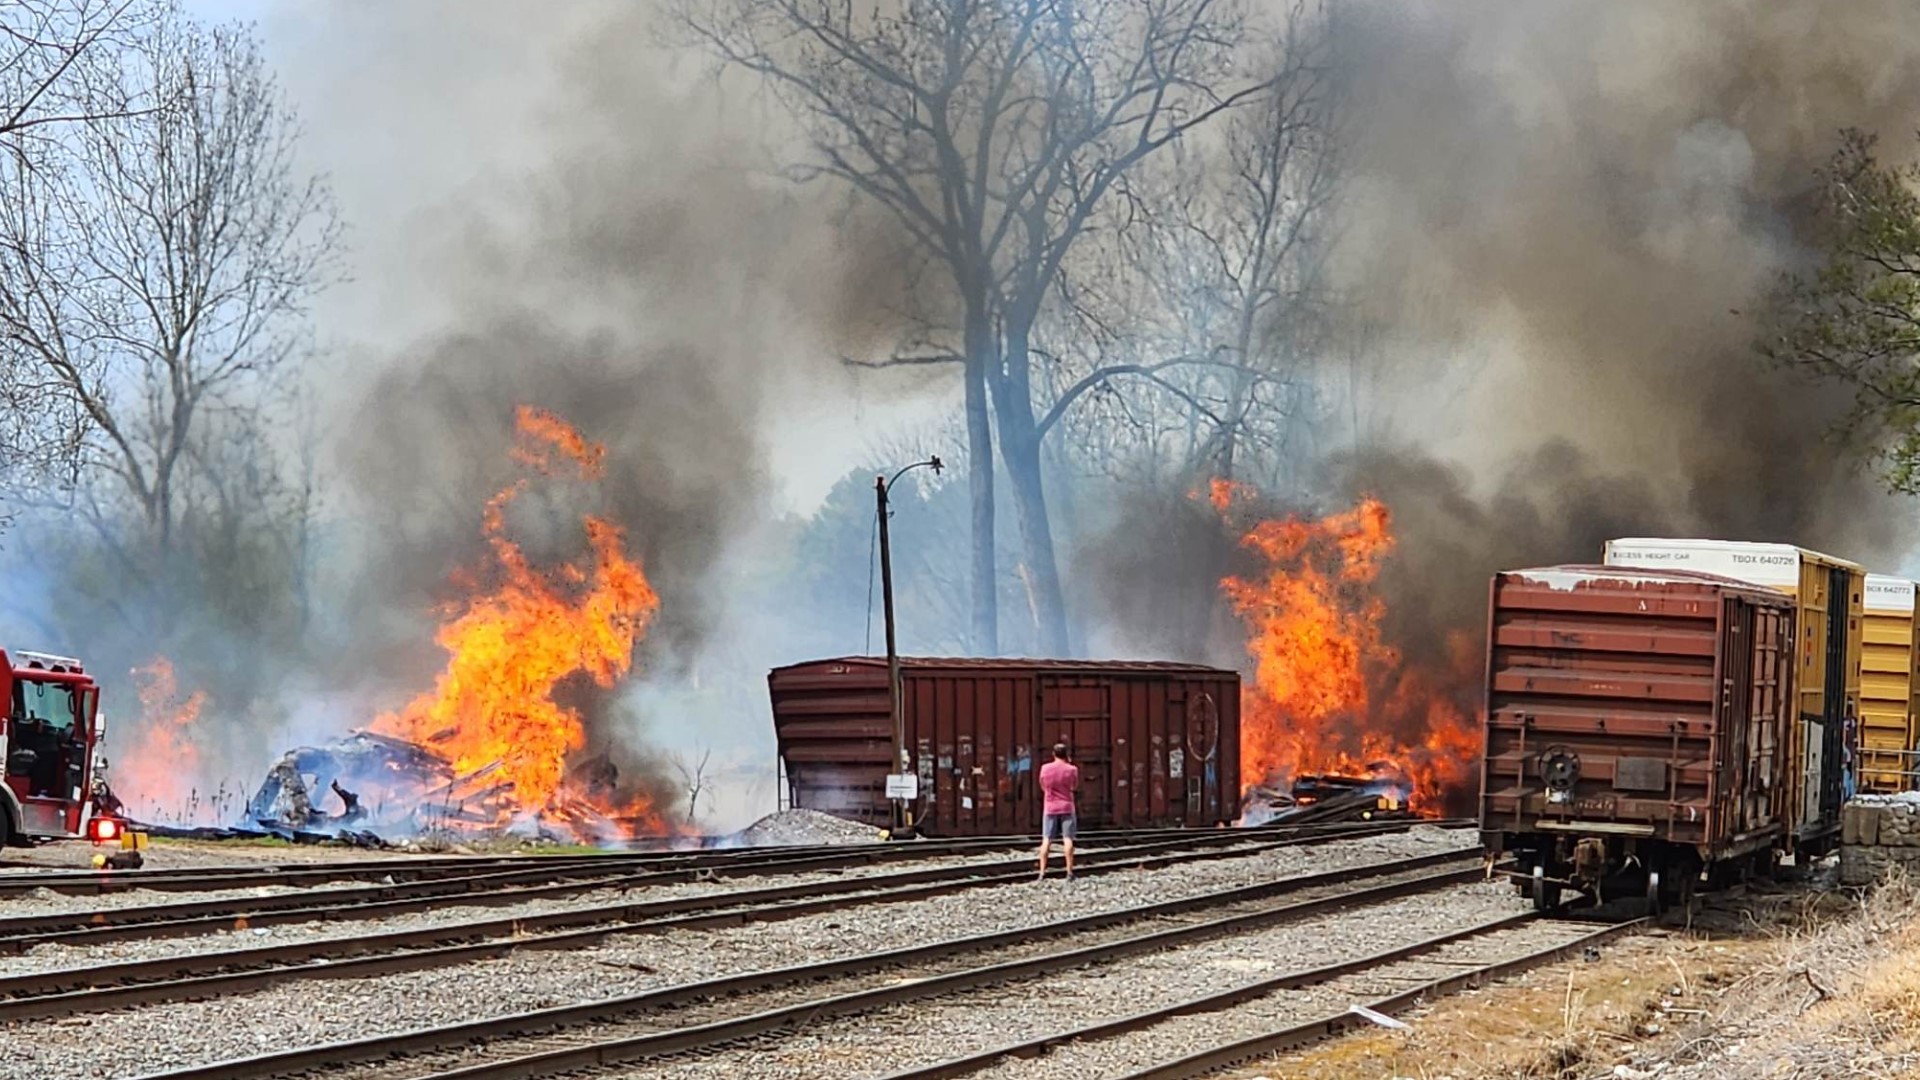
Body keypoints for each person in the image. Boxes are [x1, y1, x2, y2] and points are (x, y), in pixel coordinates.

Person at [1037, 742, 1080, 880]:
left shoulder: (1045, 768)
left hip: (1050, 807)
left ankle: (1042, 872)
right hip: (1067, 806)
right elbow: (1074, 786)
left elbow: (1042, 785)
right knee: (1068, 839)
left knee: (1046, 840)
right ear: (1066, 754)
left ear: (1053, 754)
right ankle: (1069, 872)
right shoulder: (1072, 769)